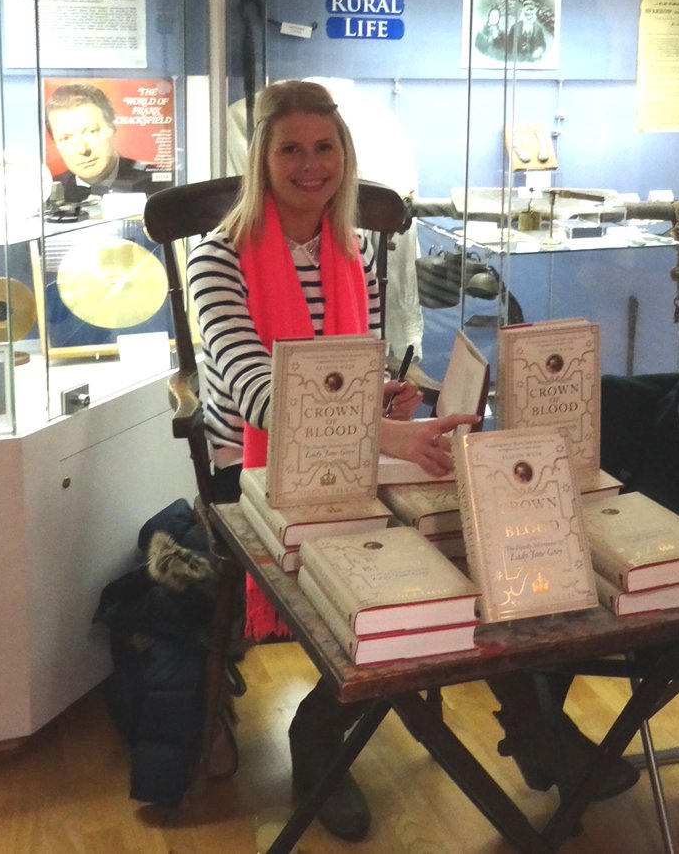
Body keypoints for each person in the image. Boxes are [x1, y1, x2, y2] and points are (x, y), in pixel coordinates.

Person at [187, 80, 476, 842]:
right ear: (263, 159)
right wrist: (381, 439)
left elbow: (345, 366)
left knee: (467, 525)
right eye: (291, 148)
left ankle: (528, 723)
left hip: (346, 455)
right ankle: (320, 741)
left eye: (325, 147)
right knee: (374, 559)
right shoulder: (216, 260)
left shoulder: (354, 250)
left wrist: (382, 398)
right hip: (249, 472)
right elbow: (263, 397)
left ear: (344, 157)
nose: (310, 164)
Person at [45, 83, 157, 202]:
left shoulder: (158, 183)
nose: (82, 149)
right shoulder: (45, 192)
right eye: (66, 138)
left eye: (91, 131)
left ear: (113, 128)